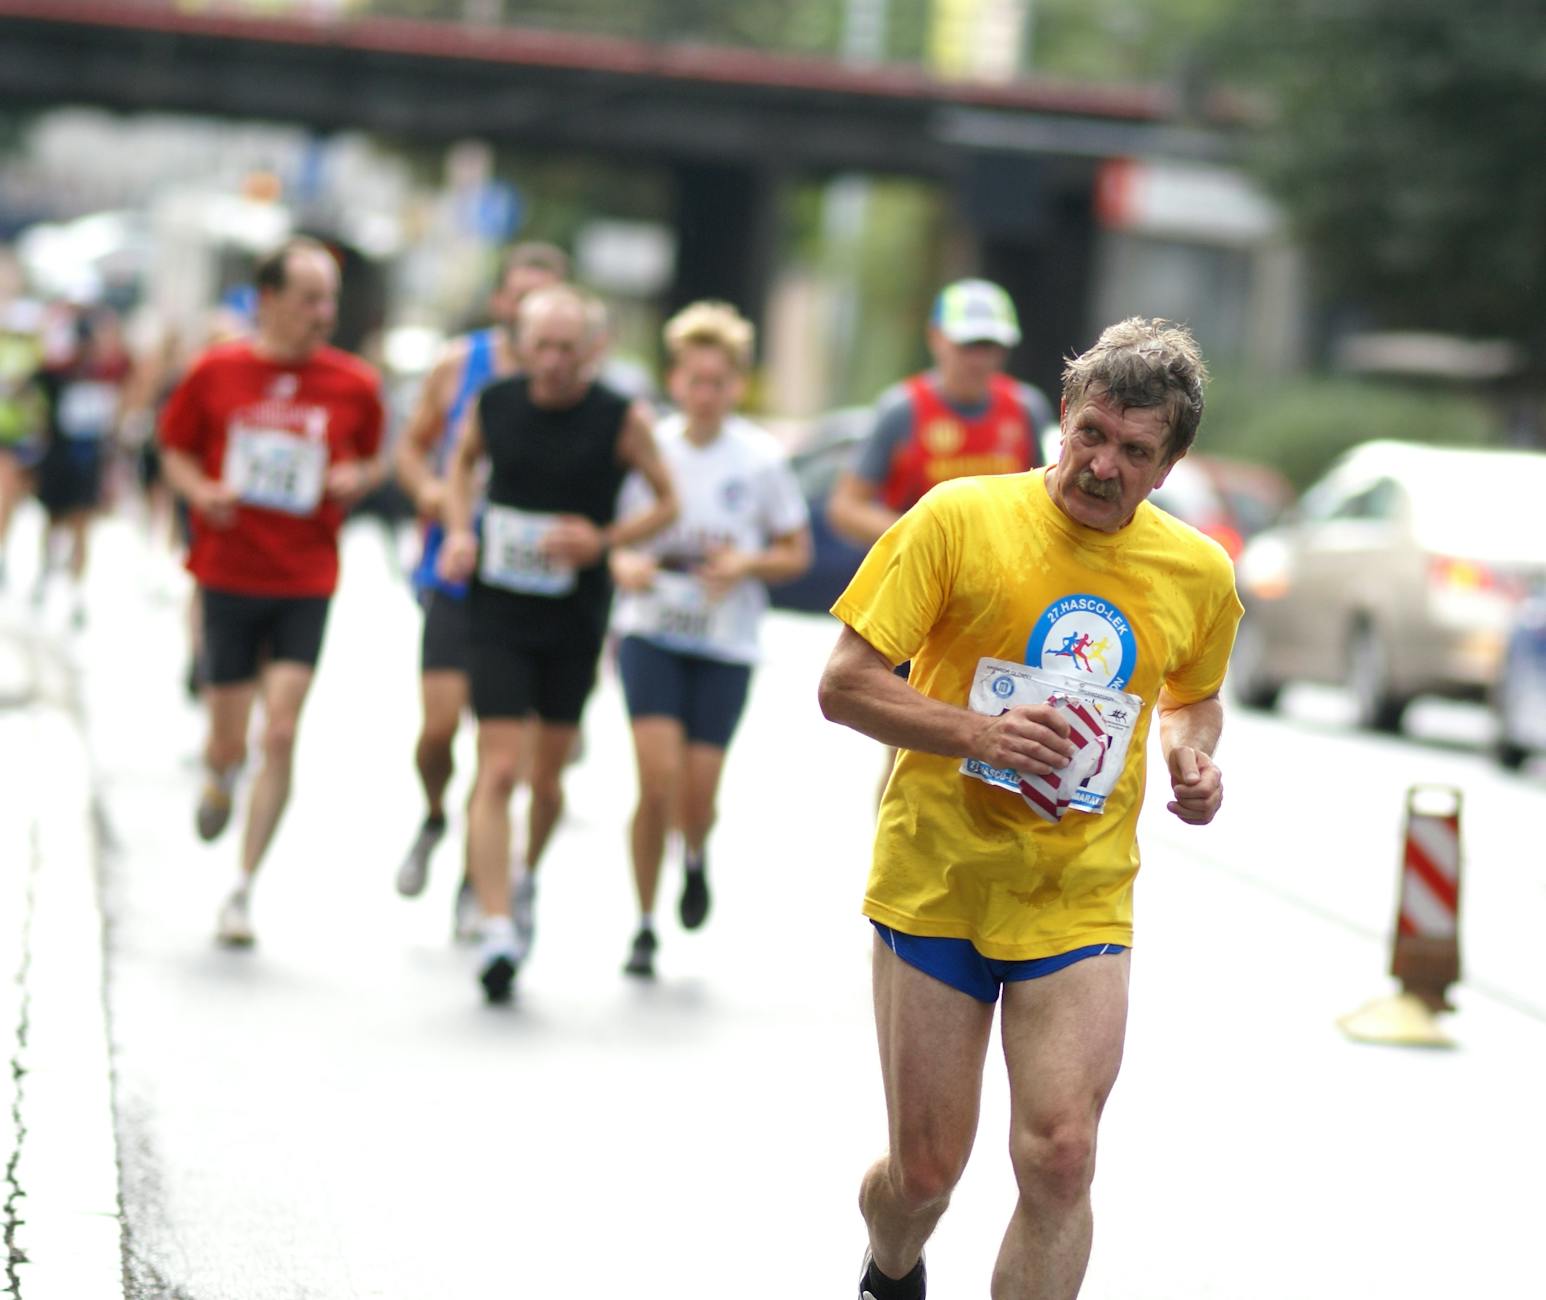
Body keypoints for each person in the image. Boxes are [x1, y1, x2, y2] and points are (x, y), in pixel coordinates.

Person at [817, 318, 1241, 1300]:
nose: (1102, 465)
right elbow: (842, 685)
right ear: (1061, 417)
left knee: (1061, 1156)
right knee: (922, 1176)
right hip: (939, 880)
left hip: (1076, 893)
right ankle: (891, 1263)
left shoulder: (1197, 572)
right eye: (1090, 433)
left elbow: (1191, 694)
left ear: (1169, 464)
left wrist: (1191, 757)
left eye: (1134, 451)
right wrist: (978, 732)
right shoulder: (957, 518)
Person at [437, 284, 676, 1004]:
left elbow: (668, 502)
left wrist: (600, 540)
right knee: (498, 767)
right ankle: (496, 924)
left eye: (567, 349)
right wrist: (457, 529)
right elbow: (460, 467)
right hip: (499, 608)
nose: (551, 362)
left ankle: (522, 877)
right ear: (522, 342)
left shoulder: (619, 419)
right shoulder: (497, 401)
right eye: (540, 345)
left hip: (573, 614)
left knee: (545, 779)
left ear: (592, 350)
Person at [159, 237, 387, 947]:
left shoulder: (355, 383)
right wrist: (204, 489)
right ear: (269, 301)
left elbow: (376, 456)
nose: (324, 315)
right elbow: (173, 449)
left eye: (330, 302)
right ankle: (219, 773)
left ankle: (242, 887)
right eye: (310, 300)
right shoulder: (217, 370)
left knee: (282, 730)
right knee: (230, 736)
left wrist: (357, 478)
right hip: (228, 570)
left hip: (305, 576)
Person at [608, 301, 811, 979]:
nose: (705, 393)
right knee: (655, 779)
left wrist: (746, 565)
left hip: (725, 642)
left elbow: (796, 550)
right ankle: (641, 922)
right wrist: (624, 564)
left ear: (738, 386)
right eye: (694, 379)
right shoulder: (649, 449)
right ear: (675, 381)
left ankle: (694, 856)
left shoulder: (758, 460)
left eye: (719, 381)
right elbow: (611, 539)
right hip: (652, 632)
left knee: (698, 791)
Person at [393, 241, 569, 933]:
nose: (531, 312)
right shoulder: (457, 366)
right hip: (458, 573)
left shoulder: (572, 389)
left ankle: (477, 880)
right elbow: (411, 446)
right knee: (439, 730)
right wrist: (435, 489)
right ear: (502, 304)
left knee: (501, 757)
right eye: (520, 298)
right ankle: (435, 813)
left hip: (528, 591)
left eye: (545, 299)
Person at [826, 278, 1053, 795]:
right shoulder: (902, 410)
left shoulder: (1024, 411)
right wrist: (930, 538)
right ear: (936, 339)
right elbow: (845, 506)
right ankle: (899, 857)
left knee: (999, 751)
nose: (979, 358)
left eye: (991, 345)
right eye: (968, 343)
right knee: (913, 751)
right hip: (920, 605)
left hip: (999, 603)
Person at [32, 305, 132, 627]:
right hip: (60, 459)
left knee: (81, 526)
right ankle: (45, 576)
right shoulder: (58, 372)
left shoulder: (112, 371)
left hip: (91, 462)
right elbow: (37, 386)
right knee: (54, 522)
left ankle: (75, 593)